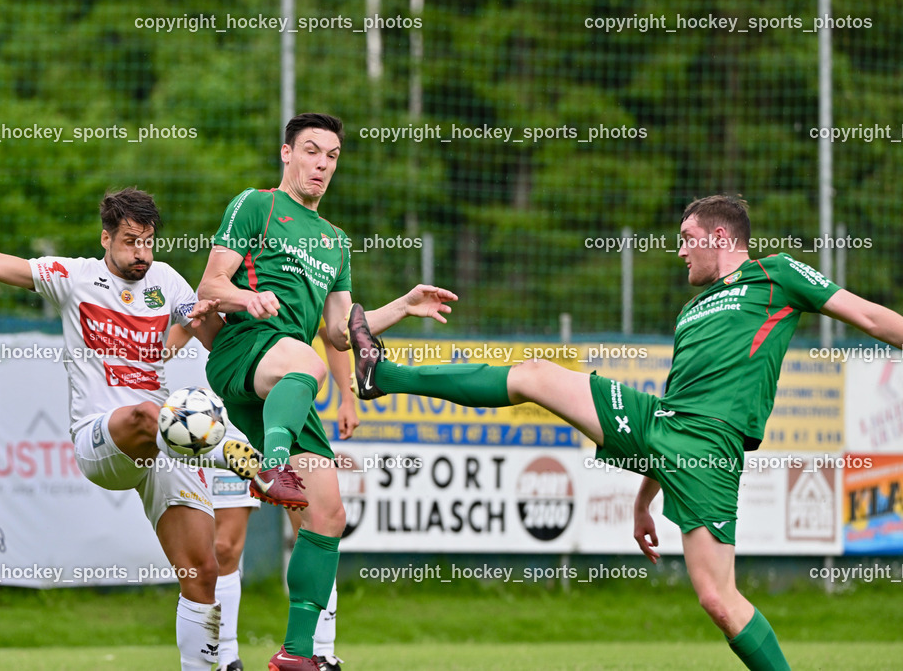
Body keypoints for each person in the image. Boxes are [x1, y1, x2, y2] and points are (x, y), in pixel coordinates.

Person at [345, 194, 903, 671]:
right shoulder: (693, 311)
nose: (679, 249)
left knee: (717, 597)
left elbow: (874, 320)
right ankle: (383, 374)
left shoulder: (775, 274)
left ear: (718, 236)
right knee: (537, 375)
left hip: (710, 449)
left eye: (686, 238)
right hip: (662, 424)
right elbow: (675, 409)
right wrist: (645, 497)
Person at [0, 184, 261, 671]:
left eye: (149, 241)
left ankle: (209, 666)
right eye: (131, 241)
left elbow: (209, 337)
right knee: (153, 412)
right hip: (102, 440)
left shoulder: (168, 281)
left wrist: (221, 313)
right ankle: (247, 462)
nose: (142, 254)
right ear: (105, 237)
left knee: (202, 571)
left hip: (164, 447)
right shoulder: (73, 276)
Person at [191, 112, 455, 670]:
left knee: (328, 516)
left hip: (291, 375)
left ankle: (298, 654)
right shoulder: (255, 205)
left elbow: (340, 331)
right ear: (286, 153)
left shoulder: (335, 242)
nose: (321, 164)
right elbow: (211, 285)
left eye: (331, 156)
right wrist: (246, 300)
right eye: (311, 151)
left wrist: (403, 306)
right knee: (305, 363)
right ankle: (272, 466)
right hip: (245, 350)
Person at [170, 320, 358, 671]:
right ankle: (227, 657)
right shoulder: (216, 288)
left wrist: (347, 397)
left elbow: (334, 334)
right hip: (214, 422)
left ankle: (321, 650)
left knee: (314, 525)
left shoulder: (288, 286)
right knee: (224, 546)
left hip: (270, 415)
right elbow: (180, 329)